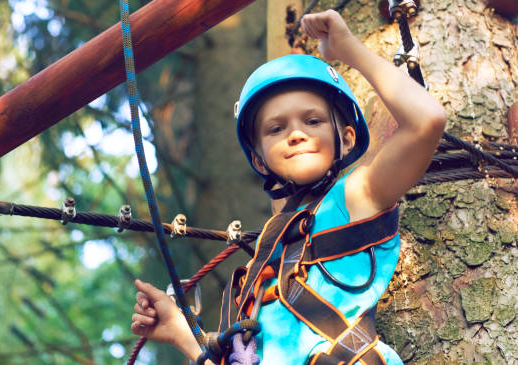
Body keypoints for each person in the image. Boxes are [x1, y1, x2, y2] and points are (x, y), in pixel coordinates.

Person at [130, 9, 446, 365]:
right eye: (275, 129)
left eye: (312, 120)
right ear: (260, 161)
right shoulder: (264, 268)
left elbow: (426, 121)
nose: (296, 134)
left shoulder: (353, 197)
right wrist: (179, 331)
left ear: (346, 139)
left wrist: (348, 49)